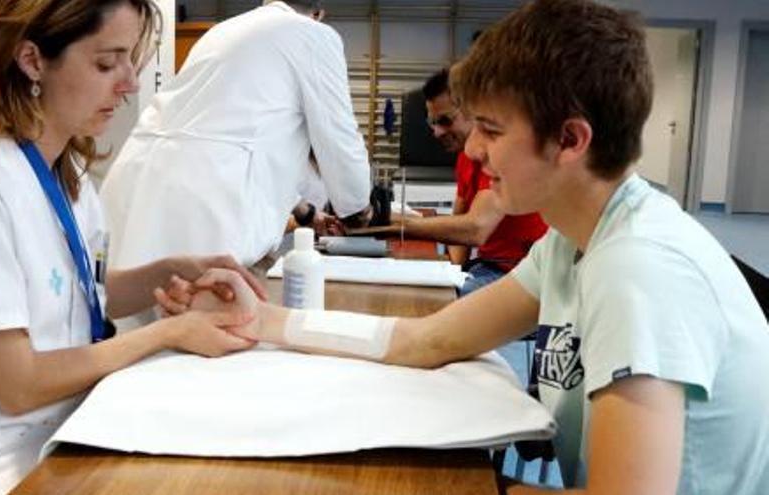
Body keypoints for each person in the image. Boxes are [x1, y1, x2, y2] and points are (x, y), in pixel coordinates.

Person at [161, 1, 769, 493]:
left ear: (570, 140)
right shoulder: (573, 243)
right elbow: (429, 339)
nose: (474, 151)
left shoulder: (642, 271)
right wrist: (263, 318)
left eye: (493, 130)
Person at [0, 1, 265, 492]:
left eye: (130, 60)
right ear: (32, 60)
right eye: (106, 63)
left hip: (65, 443)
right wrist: (165, 334)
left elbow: (72, 289)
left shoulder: (70, 179)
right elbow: (17, 384)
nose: (129, 83)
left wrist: (171, 271)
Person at [98, 0, 372, 302]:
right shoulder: (314, 35)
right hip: (202, 210)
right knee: (199, 327)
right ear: (319, 13)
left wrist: (306, 213)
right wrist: (358, 209)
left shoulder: (224, 31)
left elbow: (234, 138)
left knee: (126, 320)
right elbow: (340, 135)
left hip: (136, 182)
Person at [397, 69, 547, 295]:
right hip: (486, 267)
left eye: (445, 121)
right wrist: (450, 275)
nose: (436, 132)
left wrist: (395, 223)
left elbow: (476, 228)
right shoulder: (465, 157)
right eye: (432, 122)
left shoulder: (501, 155)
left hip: (515, 273)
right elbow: (459, 230)